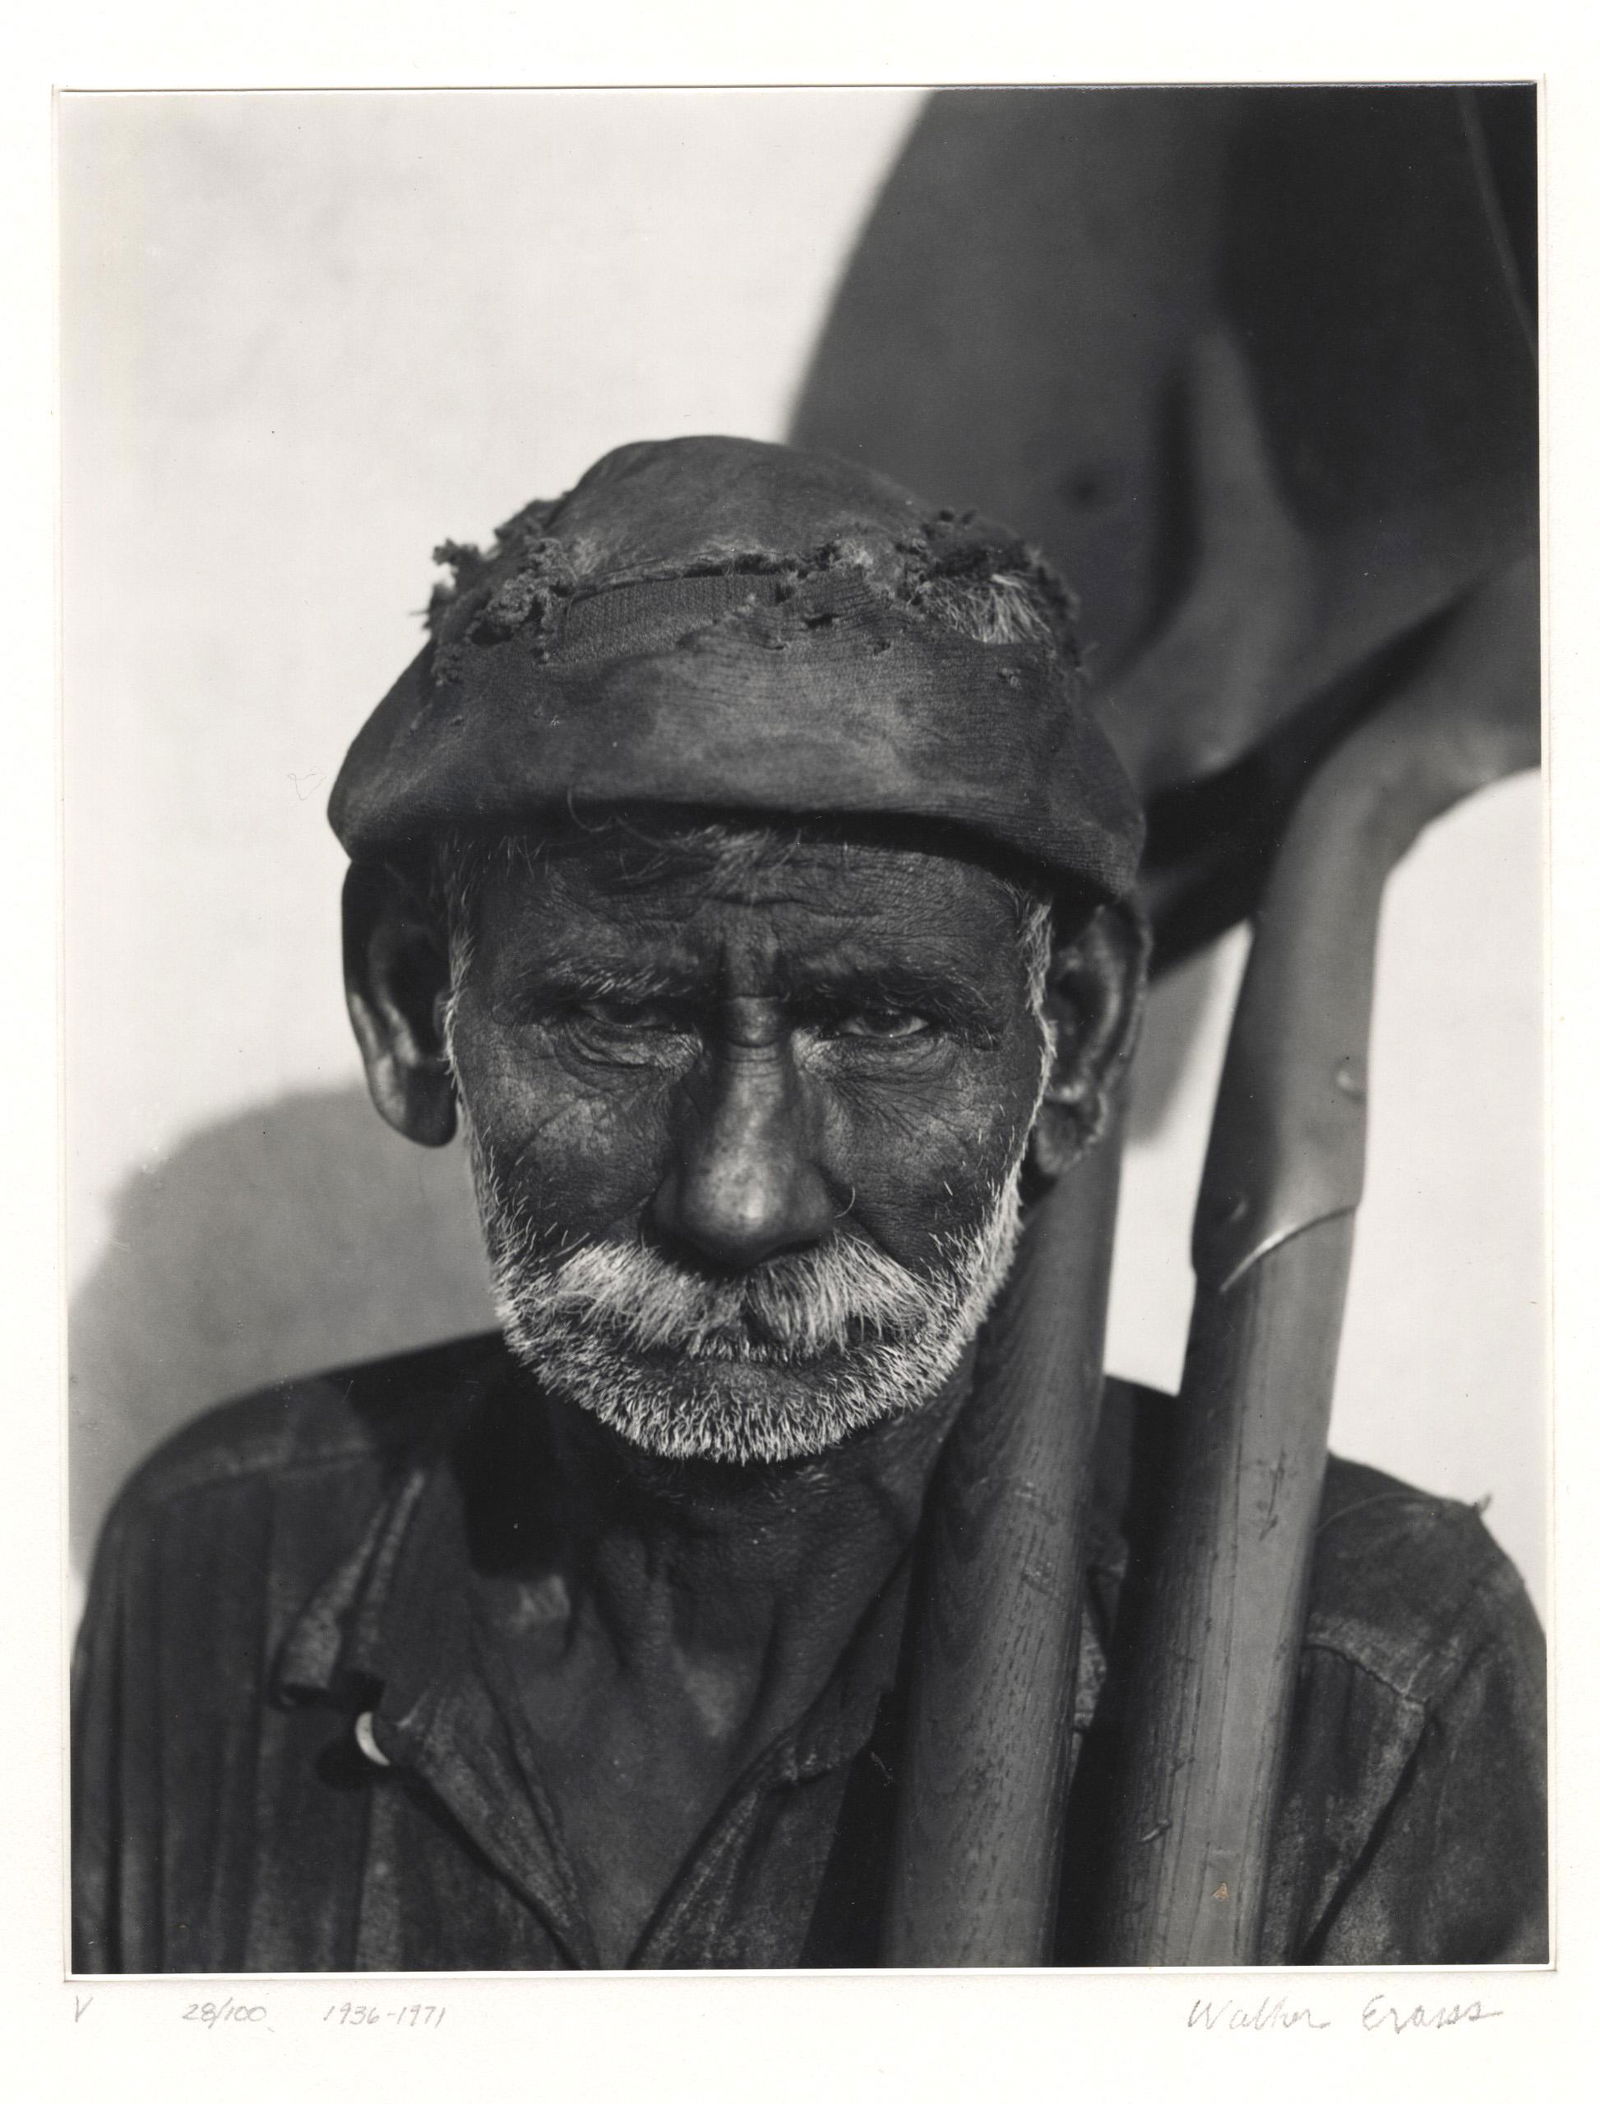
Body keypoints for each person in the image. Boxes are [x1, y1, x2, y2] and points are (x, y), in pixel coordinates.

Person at [71, 436, 1547, 1972]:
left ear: (1080, 1036)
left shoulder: (1370, 1686)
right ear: (406, 1004)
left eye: (885, 1022)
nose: (741, 1196)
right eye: (621, 1016)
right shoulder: (212, 1578)